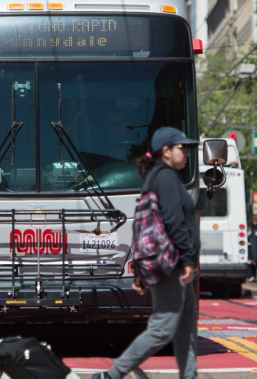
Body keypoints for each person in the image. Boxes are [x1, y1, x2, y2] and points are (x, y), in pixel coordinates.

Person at [94, 127, 199, 379]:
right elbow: (173, 222)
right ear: (166, 150)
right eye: (181, 148)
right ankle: (112, 375)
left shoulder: (157, 177)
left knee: (187, 329)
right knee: (163, 329)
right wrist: (186, 259)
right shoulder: (165, 177)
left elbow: (145, 229)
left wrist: (142, 270)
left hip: (171, 263)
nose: (185, 153)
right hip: (173, 265)